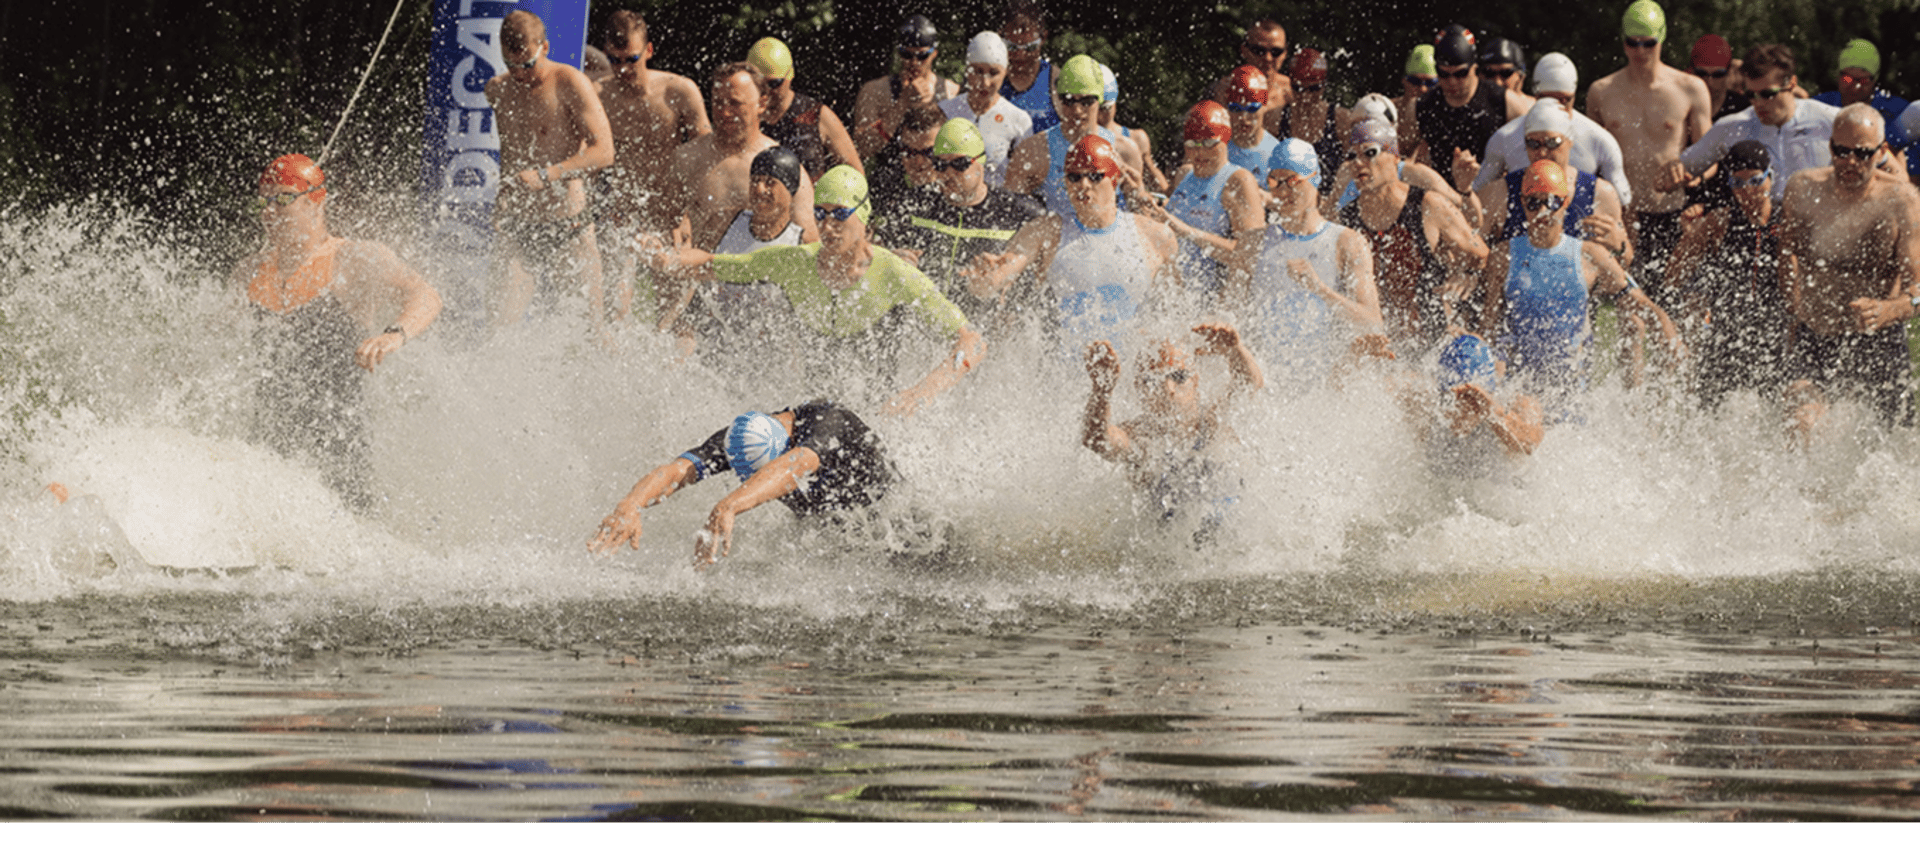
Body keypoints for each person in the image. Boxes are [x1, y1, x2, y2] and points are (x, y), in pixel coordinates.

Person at [651, 165, 984, 417]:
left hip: (876, 413)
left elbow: (971, 341)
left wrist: (918, 395)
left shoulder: (894, 274)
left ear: (864, 216)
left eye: (840, 213)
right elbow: (712, 263)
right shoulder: (795, 263)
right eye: (820, 213)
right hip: (813, 407)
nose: (828, 225)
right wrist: (667, 258)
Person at [237, 154, 444, 512]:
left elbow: (425, 295)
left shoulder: (355, 259)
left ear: (317, 201)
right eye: (264, 202)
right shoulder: (250, 270)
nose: (270, 212)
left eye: (283, 199)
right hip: (267, 445)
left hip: (338, 445)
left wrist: (393, 335)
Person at [1480, 160, 1683, 420]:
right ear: (1522, 204)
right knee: (1520, 407)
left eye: (1551, 202)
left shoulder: (1589, 257)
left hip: (1569, 397)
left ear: (1565, 202)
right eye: (1533, 203)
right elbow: (1490, 325)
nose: (1542, 211)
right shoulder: (1504, 255)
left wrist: (1664, 322)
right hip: (1518, 386)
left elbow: (1635, 299)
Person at [588, 402, 895, 566]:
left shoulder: (830, 422)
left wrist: (729, 505)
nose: (757, 485)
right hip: (834, 531)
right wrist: (631, 504)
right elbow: (677, 471)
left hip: (896, 524)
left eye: (762, 475)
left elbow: (796, 464)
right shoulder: (740, 437)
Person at [1777, 104, 1920, 436]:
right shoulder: (1802, 190)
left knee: (1891, 451)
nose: (1850, 162)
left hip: (1877, 342)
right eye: (1841, 152)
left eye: (1862, 153)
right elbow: (1788, 256)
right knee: (1802, 423)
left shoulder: (1902, 200)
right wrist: (1793, 310)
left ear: (1882, 152)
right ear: (1830, 147)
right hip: (1815, 335)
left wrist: (1889, 309)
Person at [969, 135, 1180, 351]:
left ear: (1114, 180)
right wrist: (985, 280)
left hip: (1130, 373)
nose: (1084, 185)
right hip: (1065, 376)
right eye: (1074, 177)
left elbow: (1175, 311)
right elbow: (1001, 274)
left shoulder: (1156, 236)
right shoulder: (1046, 232)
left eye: (1095, 177)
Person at [485, 10, 617, 331]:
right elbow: (512, 153)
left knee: (591, 332)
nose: (520, 74)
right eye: (510, 65)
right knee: (499, 330)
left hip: (567, 223)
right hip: (519, 225)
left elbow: (605, 152)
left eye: (526, 64)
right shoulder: (497, 90)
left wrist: (548, 174)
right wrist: (503, 196)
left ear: (544, 47)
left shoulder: (569, 81)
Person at [1081, 323, 1264, 545]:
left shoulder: (1214, 422)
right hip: (1167, 545)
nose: (1168, 388)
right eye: (1152, 380)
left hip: (1231, 538)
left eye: (1178, 376)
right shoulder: (1140, 435)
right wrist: (1102, 391)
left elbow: (1248, 385)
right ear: (1140, 390)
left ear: (1195, 382)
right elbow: (1097, 439)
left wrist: (1236, 350)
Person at [1583, 1, 1712, 304]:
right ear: (1623, 41)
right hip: (1621, 216)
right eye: (1632, 43)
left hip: (1673, 214)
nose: (1640, 51)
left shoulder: (1690, 89)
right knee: (1626, 315)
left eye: (1648, 43)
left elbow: (1710, 160)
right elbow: (1589, 161)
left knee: (1674, 309)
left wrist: (1688, 174)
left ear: (1662, 39)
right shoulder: (1602, 91)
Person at [1228, 138, 1383, 384]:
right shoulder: (1252, 244)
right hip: (1267, 383)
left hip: (1323, 385)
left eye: (1293, 181)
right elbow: (1229, 313)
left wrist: (1319, 289)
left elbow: (1372, 322)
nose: (1283, 191)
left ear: (1315, 179)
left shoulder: (1347, 242)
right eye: (1275, 182)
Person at [593, 11, 710, 320]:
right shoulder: (600, 96)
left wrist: (688, 212)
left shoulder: (678, 91)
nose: (623, 68)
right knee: (615, 313)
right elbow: (587, 156)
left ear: (649, 50)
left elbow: (707, 155)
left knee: (672, 317)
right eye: (614, 60)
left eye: (630, 59)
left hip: (670, 212)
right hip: (623, 214)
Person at [1337, 118, 1488, 357]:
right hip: (1377, 348)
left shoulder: (1427, 205)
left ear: (1395, 156)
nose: (1358, 163)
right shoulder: (1345, 220)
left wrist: (1466, 273)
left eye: (1369, 153)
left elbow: (1480, 252)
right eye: (1351, 156)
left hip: (1430, 344)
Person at [1661, 141, 1788, 408]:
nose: (1747, 191)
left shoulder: (1788, 220)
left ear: (1770, 179)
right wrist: (1689, 238)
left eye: (1755, 181)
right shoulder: (1719, 222)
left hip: (1778, 332)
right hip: (1728, 334)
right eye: (1738, 184)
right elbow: (1673, 277)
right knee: (1709, 413)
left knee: (1777, 409)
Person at [659, 147, 815, 364]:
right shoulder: (724, 221)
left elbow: (809, 320)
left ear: (790, 190)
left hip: (772, 362)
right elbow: (693, 284)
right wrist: (677, 330)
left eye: (770, 182)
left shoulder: (802, 244)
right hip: (712, 352)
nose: (759, 189)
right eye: (755, 181)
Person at [890, 118, 1047, 322]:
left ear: (981, 162)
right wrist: (892, 261)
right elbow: (869, 261)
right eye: (940, 165)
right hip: (927, 333)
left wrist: (1012, 283)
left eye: (959, 164)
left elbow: (1046, 274)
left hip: (989, 336)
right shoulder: (914, 208)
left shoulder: (1018, 213)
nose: (948, 174)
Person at [664, 62, 819, 255]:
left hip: (760, 279)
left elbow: (808, 242)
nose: (725, 112)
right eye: (718, 103)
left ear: (761, 103)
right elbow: (665, 227)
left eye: (735, 103)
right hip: (704, 280)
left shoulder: (783, 166)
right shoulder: (687, 158)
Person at [1665, 45, 1841, 202]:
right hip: (1760, 227)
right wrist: (1672, 173)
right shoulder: (1733, 127)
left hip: (1817, 224)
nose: (1759, 103)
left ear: (1792, 84)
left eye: (1767, 94)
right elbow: (1673, 173)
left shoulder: (1831, 119)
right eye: (1751, 95)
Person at [1470, 53, 1632, 210]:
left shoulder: (1600, 140)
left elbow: (1624, 206)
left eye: (1563, 101)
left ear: (1574, 97)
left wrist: (1618, 236)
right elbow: (1477, 197)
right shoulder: (1505, 138)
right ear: (1535, 95)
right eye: (1547, 99)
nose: (1555, 107)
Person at [1140, 101, 1263, 302]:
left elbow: (1250, 256)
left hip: (1206, 303)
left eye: (1208, 143)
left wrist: (1184, 230)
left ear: (1225, 138)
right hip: (1169, 297)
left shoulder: (1238, 181)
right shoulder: (1184, 175)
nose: (1199, 152)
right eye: (1192, 144)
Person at [1474, 100, 1630, 259]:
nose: (1542, 152)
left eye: (1552, 143)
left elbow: (1625, 262)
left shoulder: (1600, 193)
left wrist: (1620, 248)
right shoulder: (1499, 193)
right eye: (1533, 144)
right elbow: (1469, 252)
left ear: (1570, 142)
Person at [1003, 54, 1144, 219]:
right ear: (1058, 98)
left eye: (1086, 101)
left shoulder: (1125, 151)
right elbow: (1008, 214)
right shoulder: (1034, 151)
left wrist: (1138, 195)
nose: (1077, 110)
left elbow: (1141, 220)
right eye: (1068, 100)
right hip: (1059, 241)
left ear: (1100, 100)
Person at [1397, 334, 1545, 475]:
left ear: (1485, 396)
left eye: (1470, 400)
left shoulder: (1516, 403)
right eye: (1448, 399)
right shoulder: (1425, 403)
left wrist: (1493, 412)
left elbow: (1532, 443)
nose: (1456, 410)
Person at [1414, 24, 1528, 192]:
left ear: (1474, 68)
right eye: (1444, 74)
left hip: (1490, 199)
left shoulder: (1503, 101)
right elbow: (1402, 158)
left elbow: (1533, 149)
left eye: (1460, 74)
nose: (1452, 81)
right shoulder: (1423, 105)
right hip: (1443, 200)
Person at [746, 37, 862, 180]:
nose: (767, 91)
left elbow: (856, 174)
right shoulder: (744, 119)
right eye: (759, 84)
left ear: (790, 75)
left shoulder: (814, 114)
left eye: (775, 83)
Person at [854, 15, 963, 162]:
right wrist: (903, 102)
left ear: (934, 54)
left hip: (934, 181)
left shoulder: (951, 92)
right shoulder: (876, 90)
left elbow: (962, 152)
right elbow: (863, 148)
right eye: (907, 54)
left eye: (922, 56)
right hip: (888, 182)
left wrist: (934, 109)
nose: (914, 62)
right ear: (899, 53)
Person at [939, 31, 1034, 188]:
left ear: (1006, 72)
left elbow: (1024, 182)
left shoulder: (1019, 120)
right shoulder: (945, 111)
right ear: (967, 70)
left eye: (993, 73)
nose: (984, 82)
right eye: (978, 71)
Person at [1811, 39, 1912, 152]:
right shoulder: (1819, 106)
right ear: (1838, 77)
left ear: (1875, 80)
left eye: (1863, 81)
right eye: (1848, 79)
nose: (1856, 87)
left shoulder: (1897, 112)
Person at [1274, 48, 1351, 195]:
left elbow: (1353, 168)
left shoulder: (1341, 119)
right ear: (1290, 84)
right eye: (1299, 88)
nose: (1306, 96)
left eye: (1314, 89)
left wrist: (1332, 202)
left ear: (1324, 85)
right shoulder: (1275, 119)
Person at [865, 104, 948, 236]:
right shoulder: (883, 185)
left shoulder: (960, 191)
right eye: (909, 151)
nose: (918, 161)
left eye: (929, 152)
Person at [1207, 19, 1293, 134]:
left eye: (1276, 51)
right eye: (1259, 50)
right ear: (1244, 50)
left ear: (1285, 53)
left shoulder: (1293, 93)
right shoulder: (1224, 91)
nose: (1268, 58)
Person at [1097, 63, 1171, 194]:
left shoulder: (1135, 138)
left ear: (1115, 102)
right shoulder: (1073, 137)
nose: (1098, 115)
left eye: (1105, 108)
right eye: (1094, 108)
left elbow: (1158, 187)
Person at [998, 5, 1060, 134]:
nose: (1021, 54)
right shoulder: (989, 78)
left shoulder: (1056, 79)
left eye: (1030, 47)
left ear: (1043, 38)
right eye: (1012, 47)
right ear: (1000, 37)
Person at [1222, 65, 1281, 187]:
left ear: (1265, 107)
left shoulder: (1276, 154)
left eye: (1252, 109)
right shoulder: (1216, 150)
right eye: (1236, 108)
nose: (1243, 117)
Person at [1691, 34, 1749, 122]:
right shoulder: (1679, 105)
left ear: (1729, 72)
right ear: (1692, 72)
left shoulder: (1743, 108)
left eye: (1718, 74)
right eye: (1701, 73)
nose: (1710, 82)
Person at [1396, 44, 1436, 159]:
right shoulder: (1386, 109)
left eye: (1430, 83)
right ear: (1404, 81)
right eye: (1415, 81)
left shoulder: (1441, 118)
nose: (1423, 89)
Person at [1478, 37, 1534, 115]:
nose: (1497, 82)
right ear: (1480, 76)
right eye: (1489, 73)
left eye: (1506, 73)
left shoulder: (1534, 110)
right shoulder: (1470, 110)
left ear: (1520, 77)